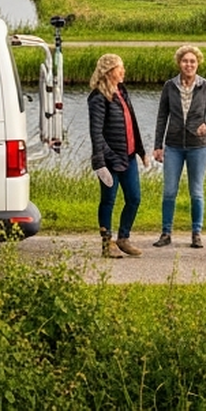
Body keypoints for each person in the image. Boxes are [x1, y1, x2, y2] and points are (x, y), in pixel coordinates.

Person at [151, 44, 206, 249]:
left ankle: (196, 233)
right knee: (169, 191)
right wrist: (158, 146)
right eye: (185, 61)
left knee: (196, 192)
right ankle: (166, 233)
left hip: (198, 147)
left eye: (192, 61)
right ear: (179, 63)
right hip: (173, 146)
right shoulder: (169, 86)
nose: (189, 64)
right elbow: (161, 117)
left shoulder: (205, 86)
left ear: (198, 63)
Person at [86, 52, 150, 258]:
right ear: (109, 71)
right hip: (109, 160)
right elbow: (96, 133)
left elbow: (132, 124)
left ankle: (123, 238)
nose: (123, 71)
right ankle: (107, 243)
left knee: (134, 198)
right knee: (108, 200)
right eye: (120, 67)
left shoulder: (122, 91)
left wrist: (140, 151)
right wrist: (101, 161)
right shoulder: (98, 98)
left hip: (128, 156)